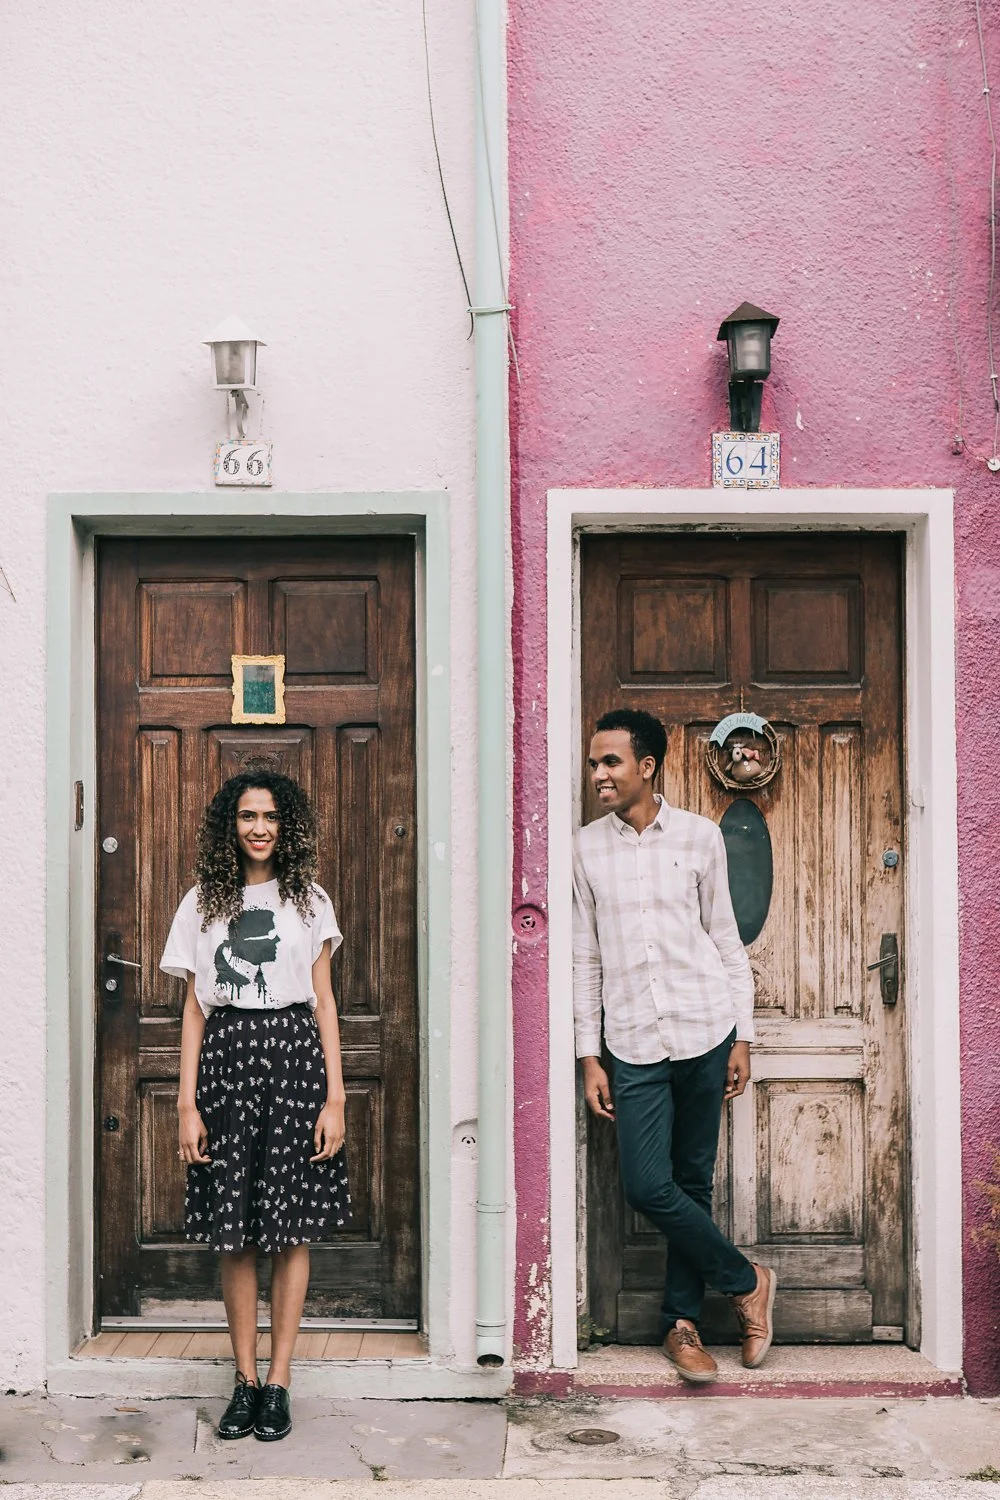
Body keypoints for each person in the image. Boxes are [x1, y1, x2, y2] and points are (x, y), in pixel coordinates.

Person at [573, 708, 776, 1383]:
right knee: (647, 1185)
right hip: (631, 1040)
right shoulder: (584, 848)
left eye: (611, 763)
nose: (599, 774)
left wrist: (742, 1036)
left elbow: (726, 938)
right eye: (595, 763)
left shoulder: (697, 838)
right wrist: (588, 1054)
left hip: (703, 1028)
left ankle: (681, 1326)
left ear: (647, 766)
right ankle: (748, 1281)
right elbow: (586, 959)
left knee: (692, 1182)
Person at [161, 770, 350, 1441]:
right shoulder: (203, 904)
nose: (260, 828)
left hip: (297, 1062)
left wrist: (336, 1095)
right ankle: (242, 1381)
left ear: (286, 825)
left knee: (289, 1228)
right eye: (247, 816)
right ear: (229, 826)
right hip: (228, 1061)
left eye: (270, 816)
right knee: (234, 1230)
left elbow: (324, 1002)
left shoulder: (309, 900)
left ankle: (279, 1381)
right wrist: (186, 1105)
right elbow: (192, 1011)